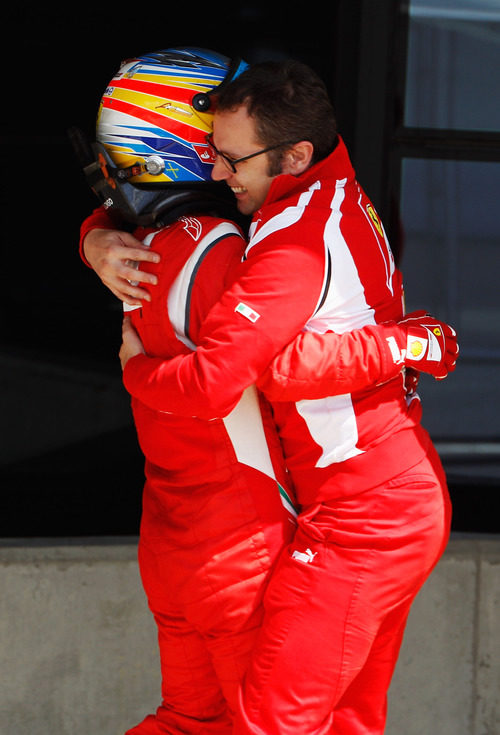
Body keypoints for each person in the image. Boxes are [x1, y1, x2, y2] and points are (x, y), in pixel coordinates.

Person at [111, 59, 457, 735]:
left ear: (296, 153)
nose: (216, 173)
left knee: (271, 722)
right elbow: (143, 204)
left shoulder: (292, 241)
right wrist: (97, 236)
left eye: (233, 159)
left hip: (365, 517)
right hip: (388, 499)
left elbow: (227, 378)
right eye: (211, 152)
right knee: (346, 722)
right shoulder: (323, 192)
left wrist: (134, 370)